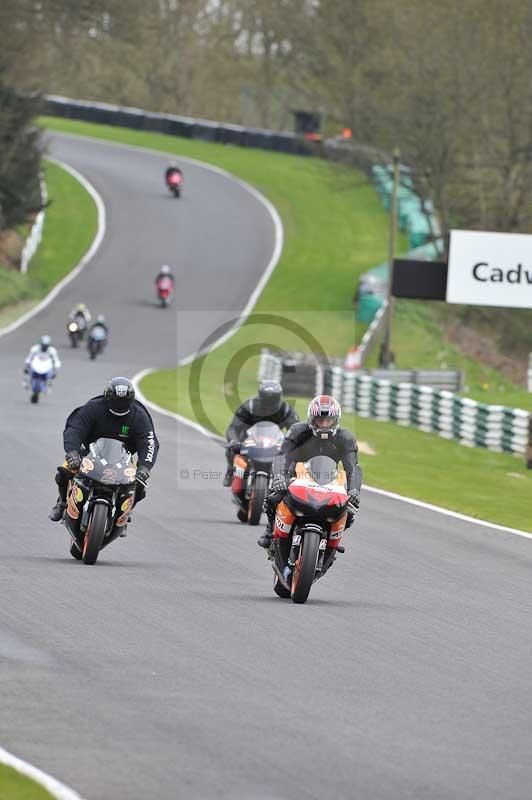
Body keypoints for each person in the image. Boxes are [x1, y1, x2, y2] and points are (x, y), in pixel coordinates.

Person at [257, 394, 362, 548]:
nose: (324, 424)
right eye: (320, 420)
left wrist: (354, 490)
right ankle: (270, 531)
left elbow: (353, 468)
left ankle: (331, 545)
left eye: (329, 420)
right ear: (311, 419)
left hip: (329, 480)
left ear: (336, 420)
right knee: (273, 498)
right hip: (295, 475)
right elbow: (282, 456)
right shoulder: (297, 431)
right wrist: (279, 477)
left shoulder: (346, 438)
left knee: (349, 513)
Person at [49, 377, 159, 521]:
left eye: (123, 401)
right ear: (107, 397)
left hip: (123, 459)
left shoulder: (139, 416)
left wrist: (144, 467)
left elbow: (149, 442)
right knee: (64, 471)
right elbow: (74, 428)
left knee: (139, 486)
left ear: (131, 401)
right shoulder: (94, 408)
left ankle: (125, 511)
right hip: (89, 454)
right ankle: (62, 503)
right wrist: (72, 452)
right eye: (115, 400)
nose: (119, 405)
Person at [223, 380, 299, 486]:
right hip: (249, 439)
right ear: (260, 398)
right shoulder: (249, 407)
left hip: (274, 441)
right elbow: (234, 427)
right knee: (231, 448)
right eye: (266, 402)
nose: (269, 407)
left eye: (273, 402)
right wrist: (234, 440)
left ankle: (285, 482)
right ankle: (231, 470)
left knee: (294, 459)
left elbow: (295, 430)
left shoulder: (286, 410)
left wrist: (294, 445)